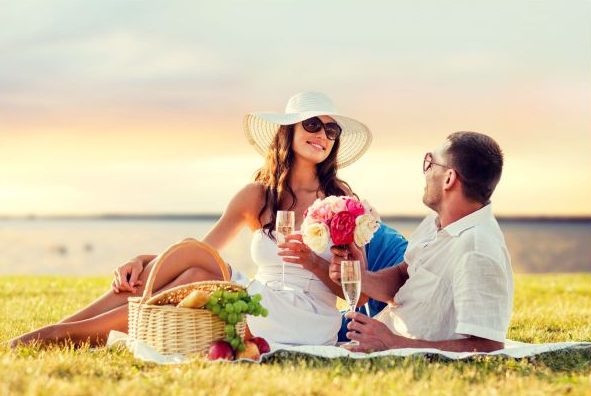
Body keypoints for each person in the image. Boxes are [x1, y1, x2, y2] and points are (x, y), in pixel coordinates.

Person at [10, 91, 373, 348]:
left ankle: (67, 334)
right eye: (312, 124)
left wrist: (310, 261)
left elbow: (354, 294)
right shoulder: (258, 196)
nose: (322, 136)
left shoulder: (340, 203)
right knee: (196, 269)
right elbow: (202, 249)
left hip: (306, 317)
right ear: (288, 132)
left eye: (331, 131)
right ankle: (71, 327)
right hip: (262, 296)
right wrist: (143, 260)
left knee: (197, 270)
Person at [330, 131, 513, 353]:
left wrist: (393, 343)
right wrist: (358, 277)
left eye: (430, 163)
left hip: (392, 345)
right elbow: (401, 277)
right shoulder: (435, 223)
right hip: (379, 332)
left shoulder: (476, 249)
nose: (425, 172)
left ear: (449, 178)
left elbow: (488, 346)